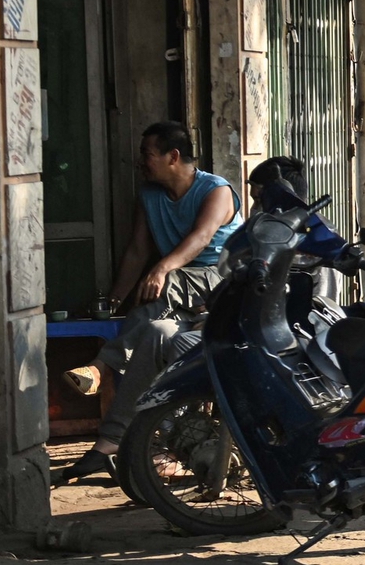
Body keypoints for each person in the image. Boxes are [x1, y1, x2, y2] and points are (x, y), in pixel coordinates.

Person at [55, 123, 242, 486]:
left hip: (222, 288)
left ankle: (100, 366)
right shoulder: (149, 194)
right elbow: (138, 251)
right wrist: (111, 303)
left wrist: (163, 267)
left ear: (173, 157)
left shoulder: (216, 190)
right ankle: (108, 445)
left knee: (166, 282)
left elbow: (202, 238)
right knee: (153, 329)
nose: (141, 162)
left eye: (147, 155)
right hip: (179, 302)